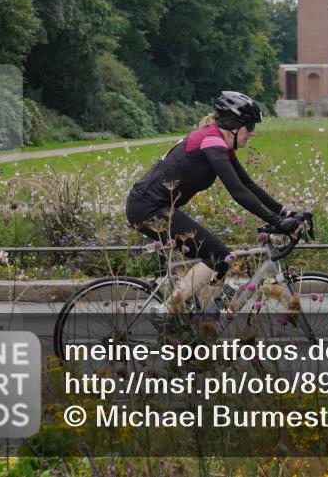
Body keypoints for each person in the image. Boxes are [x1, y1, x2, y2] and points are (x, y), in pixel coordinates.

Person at [125, 91, 304, 315]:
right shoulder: (211, 142)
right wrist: (277, 221)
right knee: (219, 255)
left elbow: (248, 184)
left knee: (221, 261)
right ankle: (167, 312)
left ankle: (198, 324)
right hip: (146, 208)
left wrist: (286, 213)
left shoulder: (219, 143)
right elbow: (237, 191)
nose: (252, 134)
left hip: (157, 207)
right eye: (249, 127)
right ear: (234, 126)